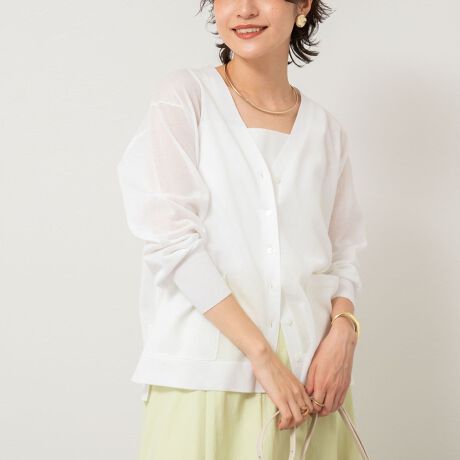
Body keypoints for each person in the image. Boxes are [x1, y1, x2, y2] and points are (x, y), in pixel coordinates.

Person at [117, 1, 368, 459]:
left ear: (302, 6)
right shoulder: (185, 97)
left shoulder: (327, 132)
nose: (244, 9)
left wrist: (344, 332)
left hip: (312, 389)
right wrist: (262, 357)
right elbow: (171, 239)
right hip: (206, 380)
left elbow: (343, 253)